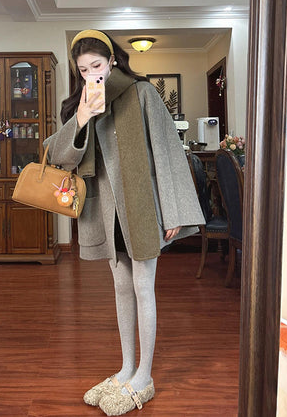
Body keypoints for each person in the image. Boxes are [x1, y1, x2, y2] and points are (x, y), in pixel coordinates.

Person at [44, 29, 204, 416]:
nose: (91, 74)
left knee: (143, 286)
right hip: (106, 211)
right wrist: (81, 117)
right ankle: (126, 368)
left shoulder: (142, 93)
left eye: (96, 65)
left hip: (143, 206)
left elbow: (166, 151)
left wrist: (173, 211)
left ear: (112, 60)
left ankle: (144, 376)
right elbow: (57, 156)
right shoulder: (80, 105)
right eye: (83, 70)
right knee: (120, 287)